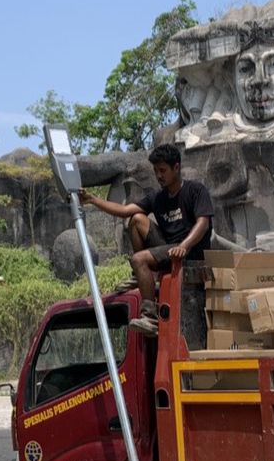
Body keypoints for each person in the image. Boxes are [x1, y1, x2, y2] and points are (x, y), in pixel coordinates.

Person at [77, 143, 215, 336]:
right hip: (167, 248)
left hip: (190, 250)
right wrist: (92, 199)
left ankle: (149, 316)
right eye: (156, 171)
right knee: (135, 220)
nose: (159, 176)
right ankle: (141, 275)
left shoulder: (195, 190)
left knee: (138, 259)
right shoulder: (157, 197)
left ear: (177, 167)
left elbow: (203, 223)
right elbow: (125, 211)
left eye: (163, 170)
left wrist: (184, 246)